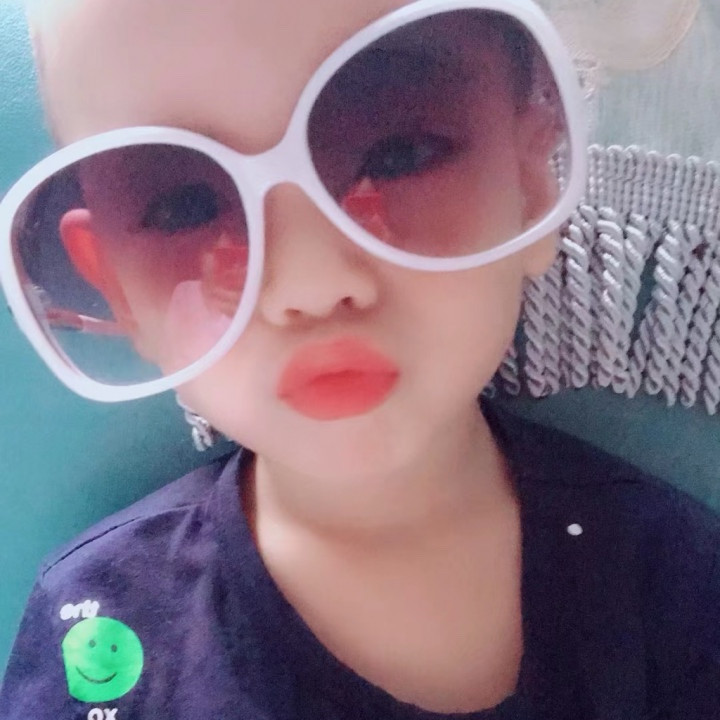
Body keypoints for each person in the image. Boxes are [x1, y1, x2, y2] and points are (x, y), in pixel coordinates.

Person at [0, 1, 718, 718]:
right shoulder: (95, 638)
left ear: (532, 181)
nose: (310, 286)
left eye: (397, 155)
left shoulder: (675, 582)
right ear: (116, 291)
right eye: (187, 207)